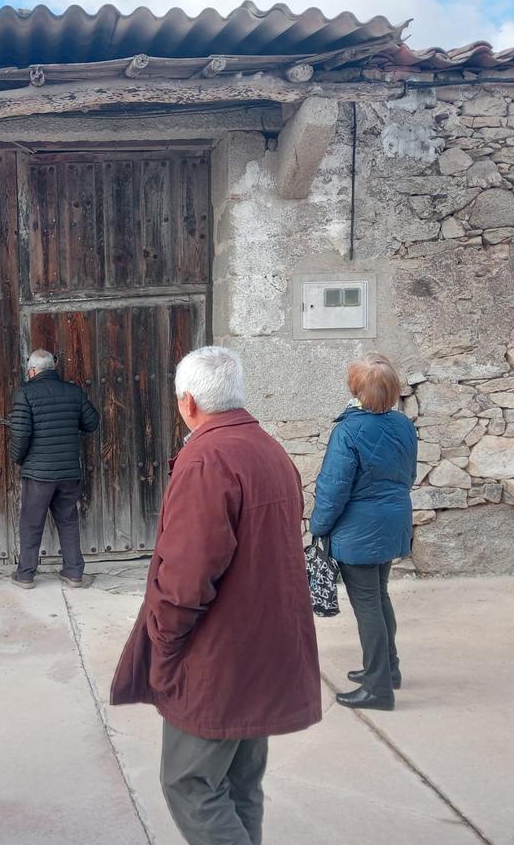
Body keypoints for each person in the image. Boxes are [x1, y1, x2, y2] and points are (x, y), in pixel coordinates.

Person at [109, 346, 322, 845]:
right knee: (239, 782)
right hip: (264, 646)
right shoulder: (267, 448)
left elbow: (186, 575)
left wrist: (163, 638)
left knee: (189, 782)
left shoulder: (207, 458)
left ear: (187, 402)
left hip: (220, 655)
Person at [310, 352, 417, 712]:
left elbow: (333, 486)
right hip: (393, 521)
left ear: (356, 388)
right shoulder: (404, 426)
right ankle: (389, 669)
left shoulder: (349, 430)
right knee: (380, 595)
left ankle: (377, 687)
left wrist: (319, 527)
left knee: (368, 604)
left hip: (359, 529)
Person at [9, 349, 100, 589]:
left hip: (39, 473)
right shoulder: (73, 392)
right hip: (69, 471)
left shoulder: (25, 393)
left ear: (32, 370)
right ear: (53, 368)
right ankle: (73, 573)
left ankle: (26, 574)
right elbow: (91, 422)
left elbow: (20, 434)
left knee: (31, 522)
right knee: (68, 520)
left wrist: (19, 459)